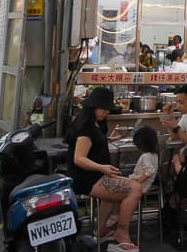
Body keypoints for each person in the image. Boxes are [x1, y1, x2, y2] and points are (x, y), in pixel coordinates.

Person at [65, 88, 141, 251]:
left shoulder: (95, 124)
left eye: (107, 109)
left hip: (95, 175)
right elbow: (79, 159)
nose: (106, 112)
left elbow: (92, 145)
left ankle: (101, 231)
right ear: (93, 107)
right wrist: (103, 168)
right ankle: (122, 231)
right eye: (103, 108)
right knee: (135, 188)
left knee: (112, 196)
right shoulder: (86, 129)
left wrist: (106, 139)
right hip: (86, 178)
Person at [128, 126, 159, 195]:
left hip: (140, 185)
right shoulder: (154, 155)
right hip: (146, 185)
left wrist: (137, 183)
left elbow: (149, 171)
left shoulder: (145, 156)